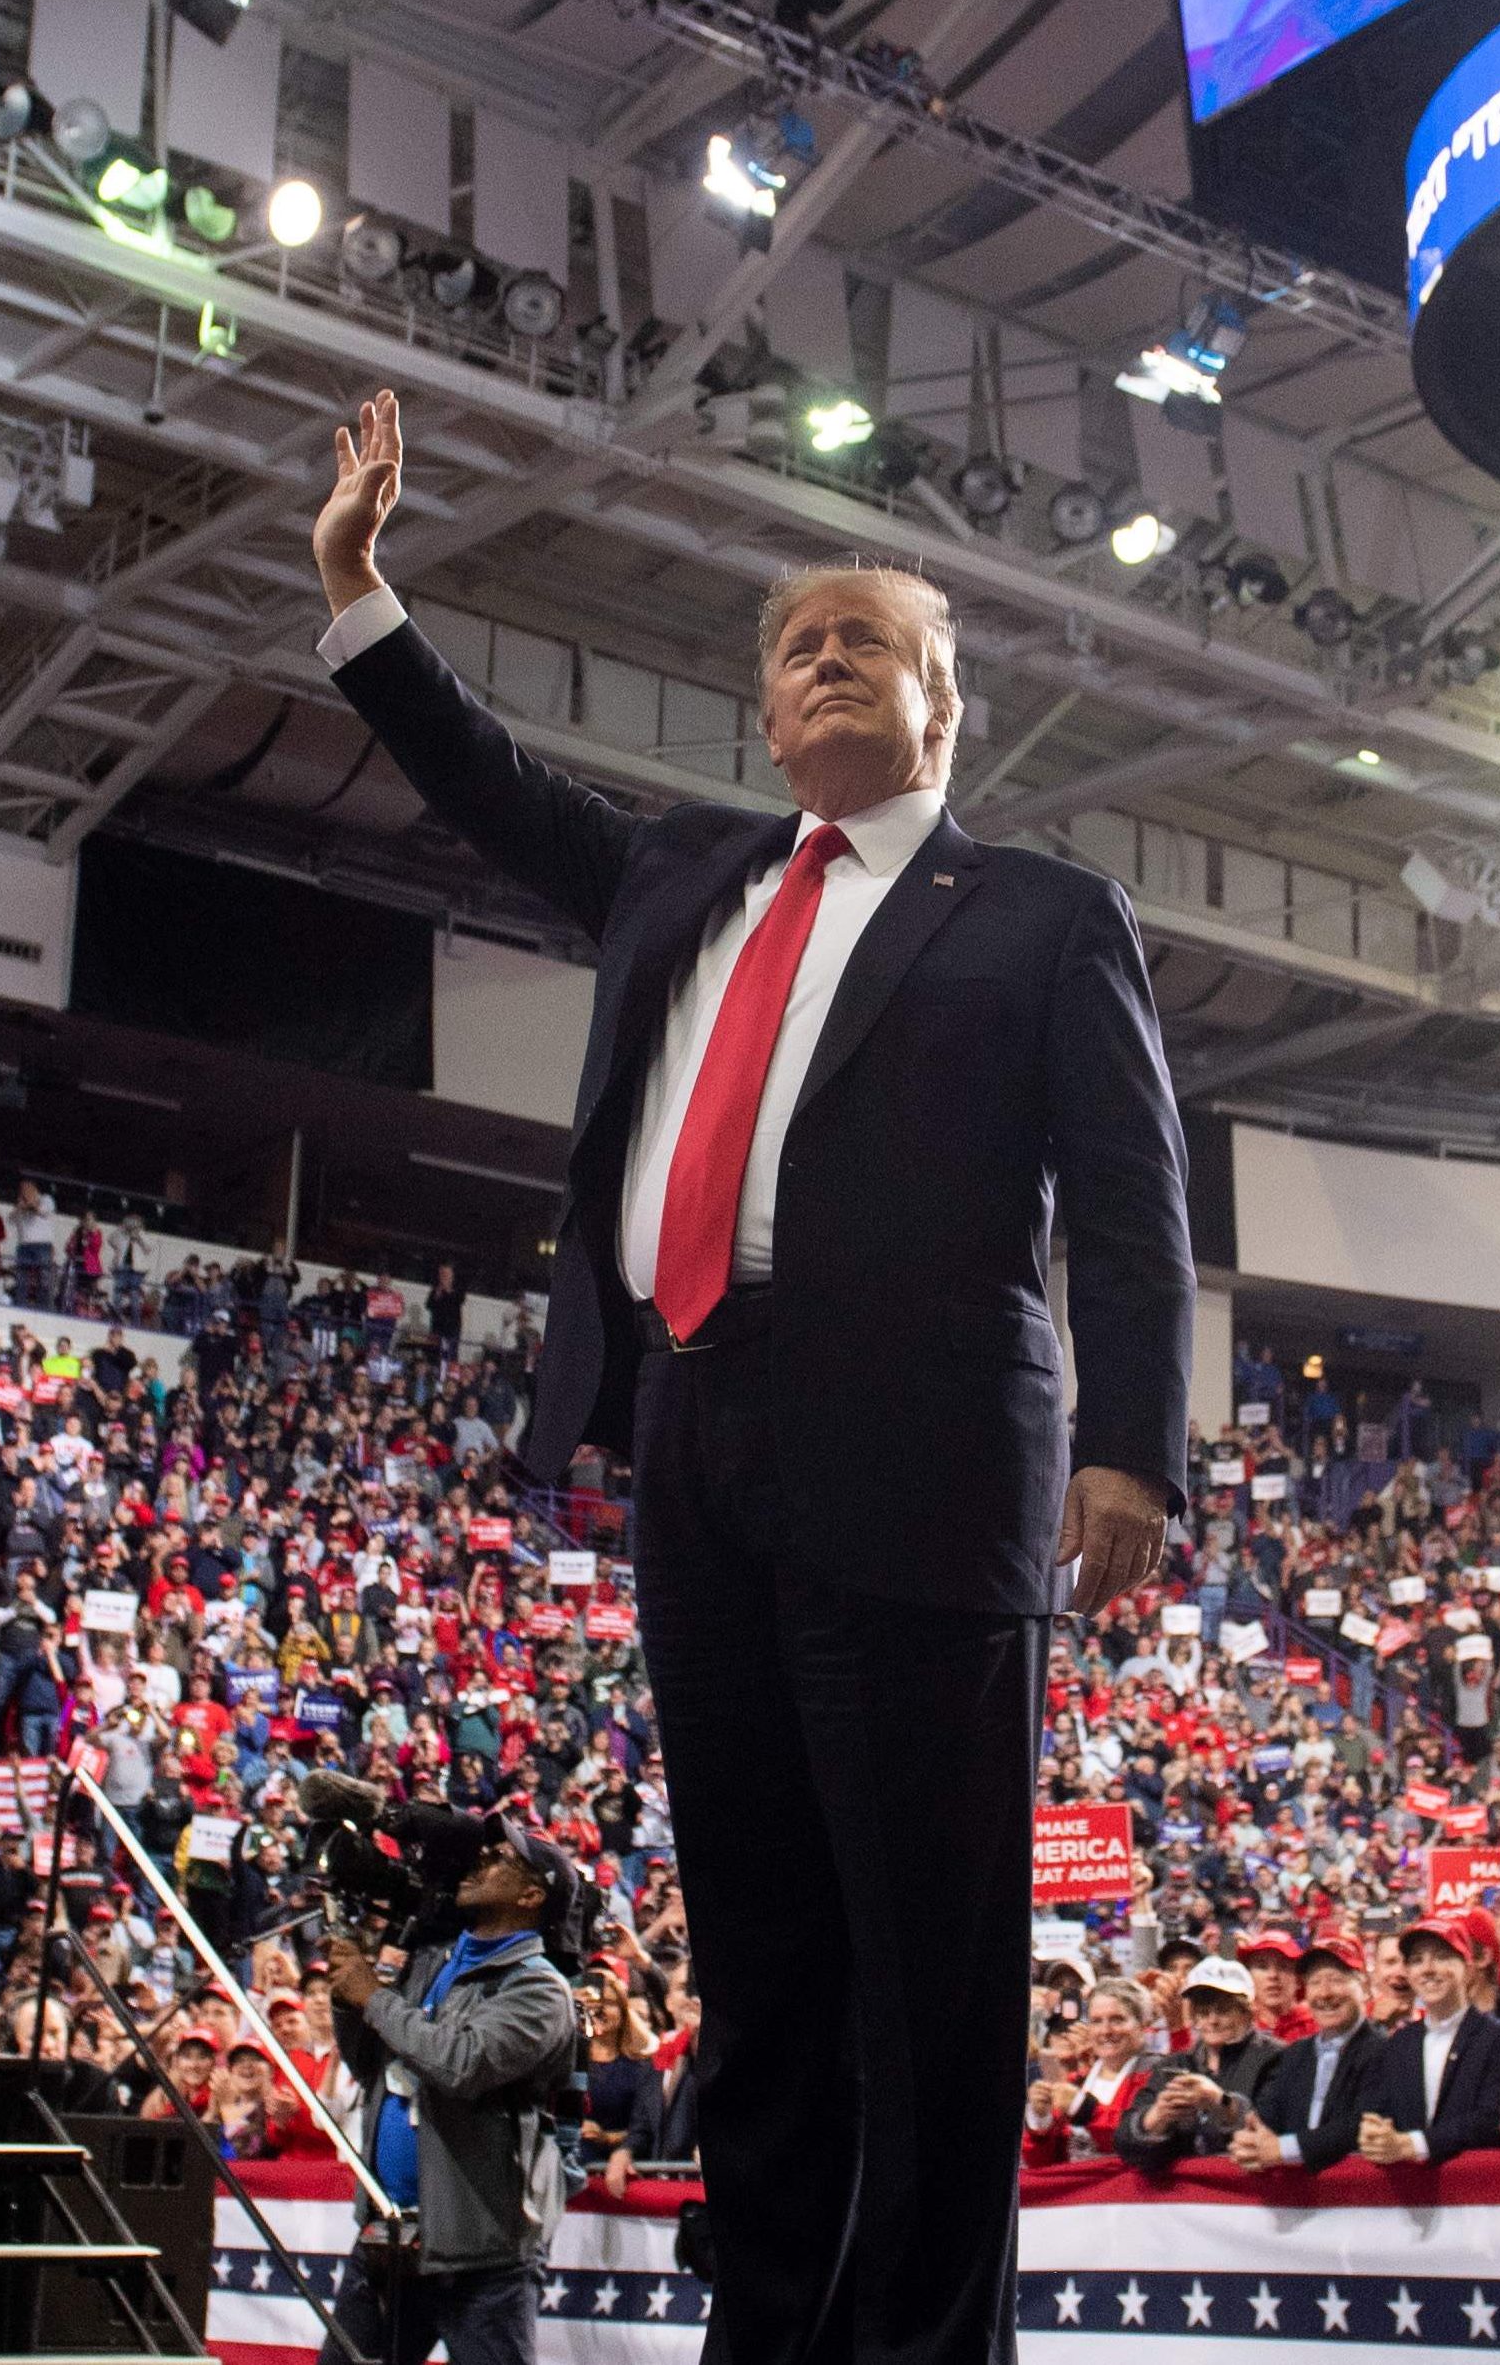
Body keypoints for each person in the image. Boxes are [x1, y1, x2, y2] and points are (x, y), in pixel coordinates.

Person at [314, 390, 1195, 2365]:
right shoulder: (685, 872)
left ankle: (924, 2352)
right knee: (766, 1954)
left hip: (927, 1456)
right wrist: (364, 591)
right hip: (696, 1437)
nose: (818, 659)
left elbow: (1136, 1205)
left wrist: (1134, 1440)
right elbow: (485, 777)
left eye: (861, 637)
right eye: (794, 640)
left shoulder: (1044, 916)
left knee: (928, 1973)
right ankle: (775, 2335)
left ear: (940, 703)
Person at [322, 1824, 587, 2365]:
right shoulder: (431, 1961)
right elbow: (371, 2063)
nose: (477, 1861)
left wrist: (372, 1997)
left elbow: (460, 2064)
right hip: (389, 2235)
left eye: (498, 1859)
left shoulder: (539, 1988)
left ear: (532, 1895)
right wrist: (348, 1999)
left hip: (480, 2255)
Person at [1344, 1913, 1500, 2161]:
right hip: (1412, 2192)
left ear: (1467, 1969)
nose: (1428, 1969)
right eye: (1416, 1960)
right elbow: (1376, 2111)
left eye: (1442, 1957)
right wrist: (1375, 2134)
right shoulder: (1399, 2045)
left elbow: (1498, 2117)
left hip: (1477, 2190)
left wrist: (1413, 2144)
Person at [1224, 1937, 1384, 2167]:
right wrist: (1251, 2140)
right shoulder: (1294, 2055)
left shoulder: (1384, 2051)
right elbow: (1267, 2115)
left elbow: (1361, 2123)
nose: (1325, 1993)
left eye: (1336, 1980)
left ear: (1365, 1988)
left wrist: (1283, 2149)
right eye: (1315, 1982)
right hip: (1299, 2198)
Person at [1109, 1959, 1279, 2167]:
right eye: (1203, 2011)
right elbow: (1123, 2141)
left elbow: (1280, 2129)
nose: (1212, 2020)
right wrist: (1158, 2116)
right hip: (1187, 2195)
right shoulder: (1173, 2065)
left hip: (1250, 2189)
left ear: (1246, 2012)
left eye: (1223, 2010)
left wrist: (1220, 2102)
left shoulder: (1276, 2058)